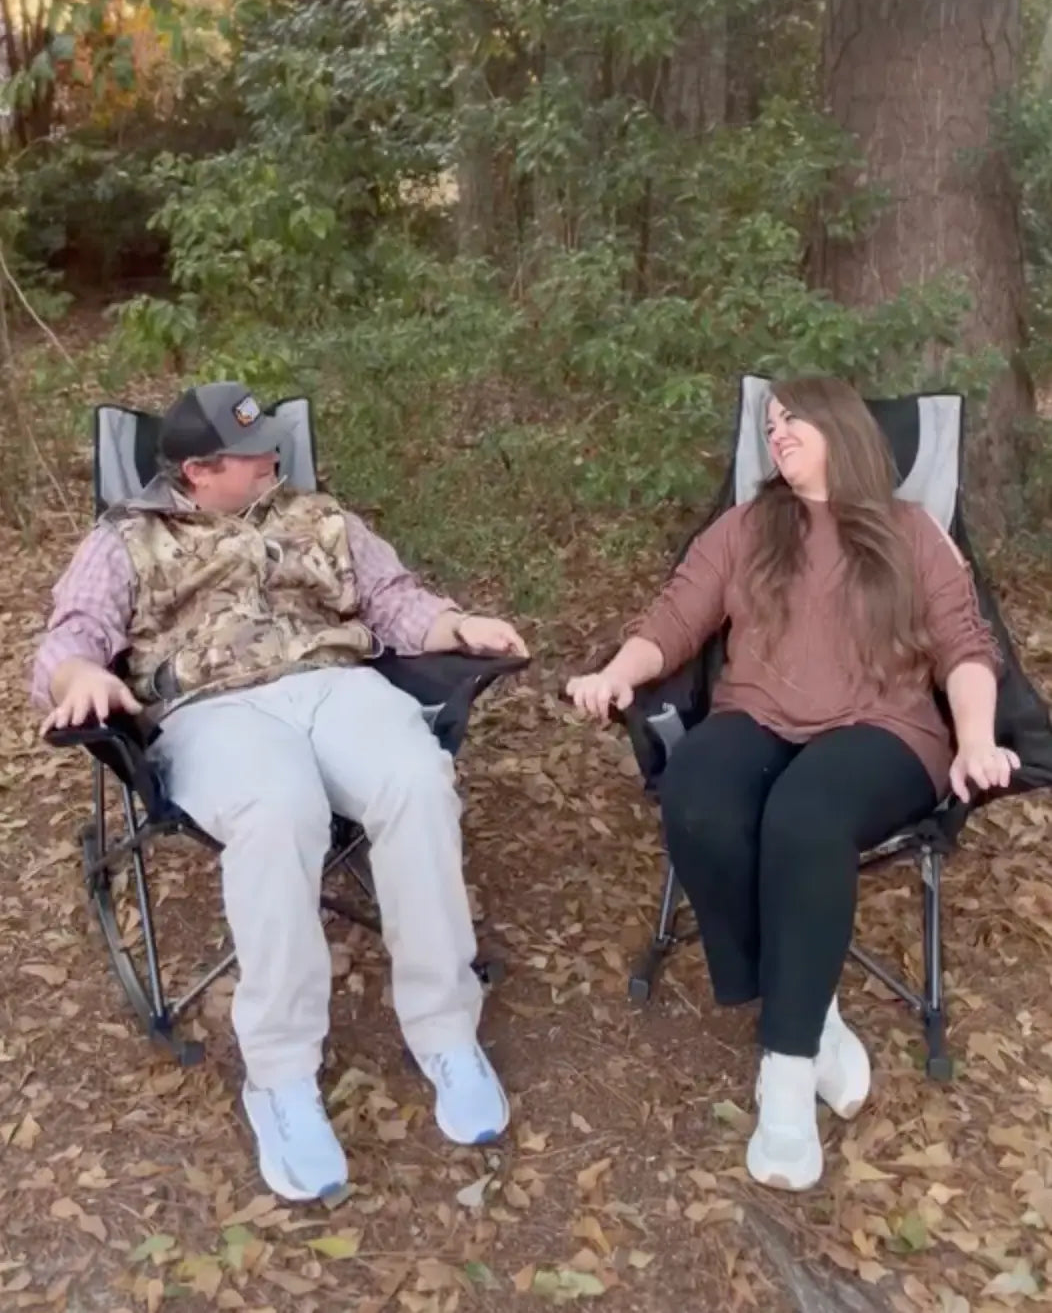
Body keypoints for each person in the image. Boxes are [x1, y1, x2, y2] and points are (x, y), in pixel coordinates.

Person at [32, 381, 528, 1204]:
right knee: (279, 807)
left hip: (336, 683)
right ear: (198, 471)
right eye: (250, 453)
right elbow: (70, 637)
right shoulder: (124, 540)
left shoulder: (320, 516)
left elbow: (393, 601)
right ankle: (281, 1075)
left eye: (268, 442)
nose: (271, 458)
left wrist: (456, 626)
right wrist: (78, 676)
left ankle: (445, 1029)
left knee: (416, 781)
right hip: (212, 709)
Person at [567, 376, 1015, 1192]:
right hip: (759, 714)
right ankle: (810, 1004)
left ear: (844, 428)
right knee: (696, 798)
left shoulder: (911, 532)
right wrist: (616, 673)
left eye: (794, 419)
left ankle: (786, 1070)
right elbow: (674, 620)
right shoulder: (747, 527)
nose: (777, 433)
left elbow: (966, 648)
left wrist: (977, 738)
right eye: (770, 424)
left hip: (884, 729)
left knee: (804, 817)